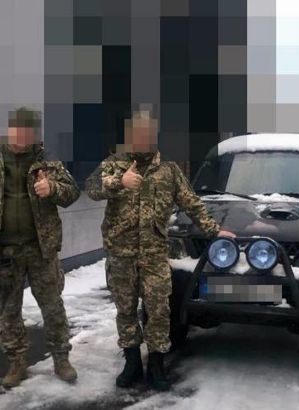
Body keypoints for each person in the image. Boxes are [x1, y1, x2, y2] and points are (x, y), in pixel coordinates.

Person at [86, 108, 235, 391]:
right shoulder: (113, 164)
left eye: (147, 134)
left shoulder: (169, 170)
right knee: (125, 309)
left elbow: (191, 202)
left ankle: (156, 364)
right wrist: (119, 182)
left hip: (154, 255)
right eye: (137, 133)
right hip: (121, 254)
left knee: (159, 310)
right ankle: (131, 362)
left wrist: (213, 230)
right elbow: (92, 188)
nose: (142, 139)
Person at [0, 107, 81, 388]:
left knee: (53, 306)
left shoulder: (47, 160)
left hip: (41, 249)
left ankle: (61, 359)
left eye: (28, 131)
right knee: (9, 310)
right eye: (17, 130)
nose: (22, 136)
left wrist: (53, 188)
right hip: (5, 252)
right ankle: (17, 362)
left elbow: (72, 192)